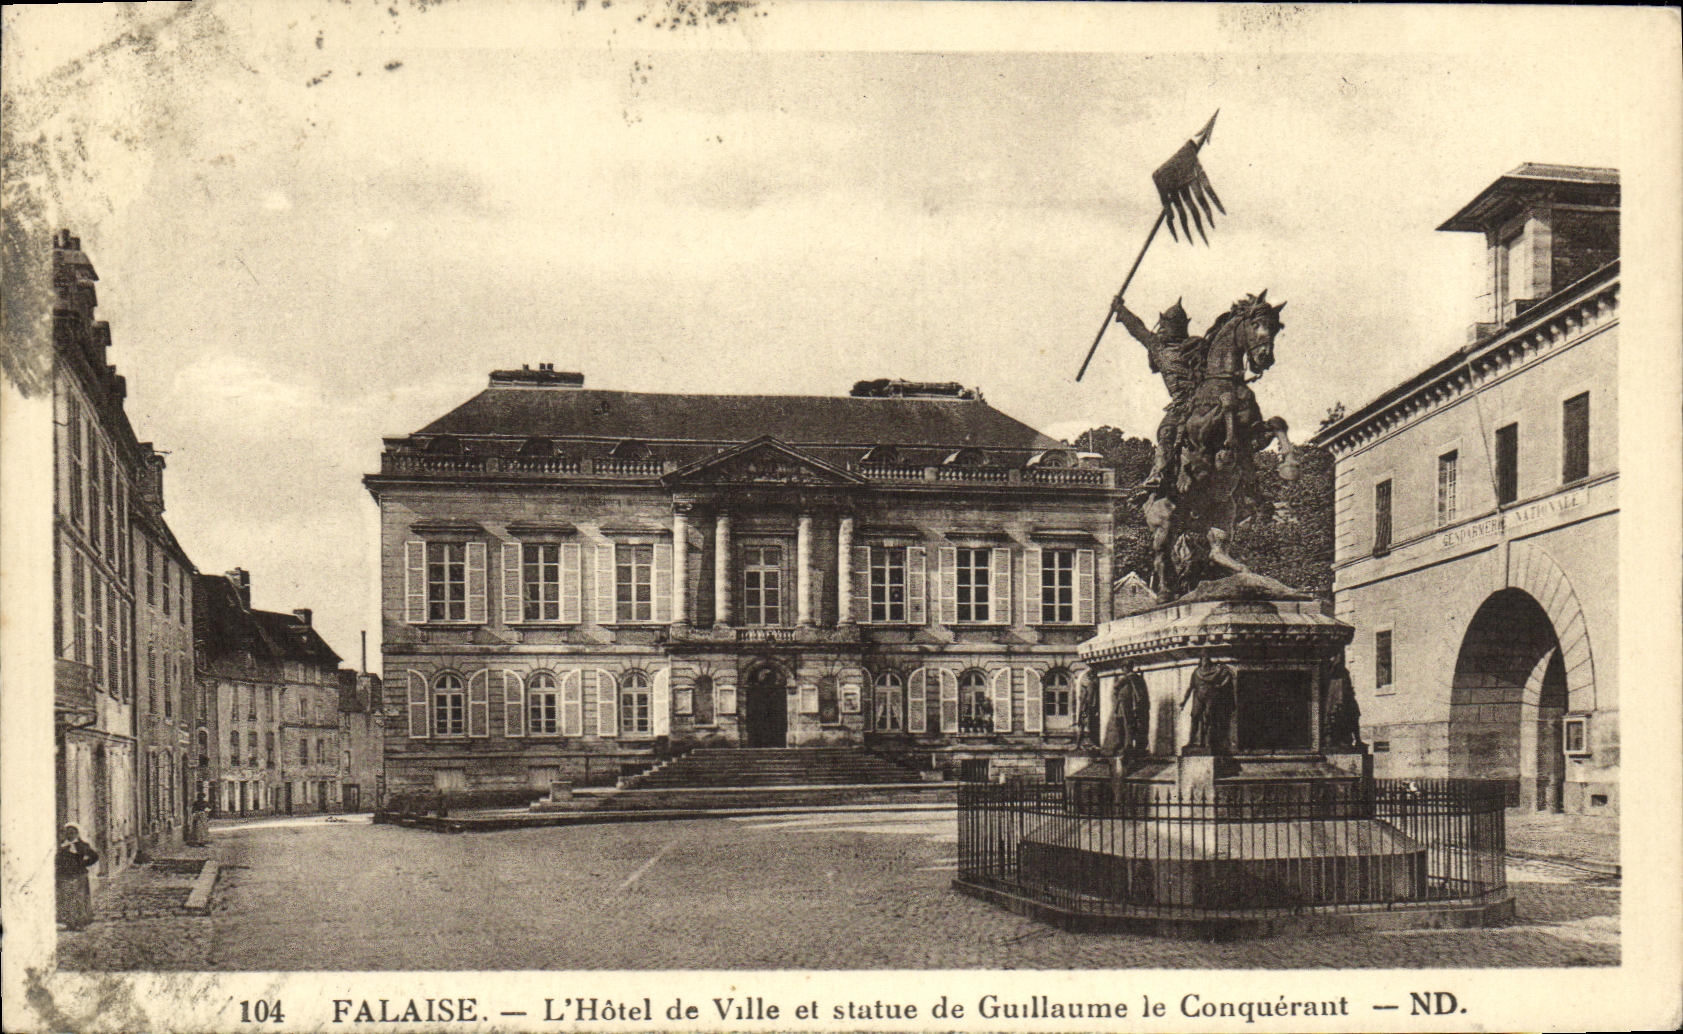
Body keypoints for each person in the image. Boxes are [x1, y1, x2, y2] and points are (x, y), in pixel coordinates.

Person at [1112, 295, 1208, 498]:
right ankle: (1157, 474)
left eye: (1167, 326)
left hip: (1201, 399)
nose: (1162, 329)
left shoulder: (1197, 346)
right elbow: (1138, 329)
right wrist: (1121, 310)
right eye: (1161, 326)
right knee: (1166, 432)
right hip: (1180, 403)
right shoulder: (1157, 347)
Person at [56, 824, 100, 931]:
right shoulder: (62, 846)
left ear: (77, 833)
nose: (69, 835)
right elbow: (57, 859)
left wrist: (84, 864)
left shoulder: (82, 845)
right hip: (65, 876)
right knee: (67, 898)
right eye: (67, 832)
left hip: (79, 875)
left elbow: (94, 856)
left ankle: (80, 923)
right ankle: (69, 922)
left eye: (72, 832)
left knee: (79, 899)